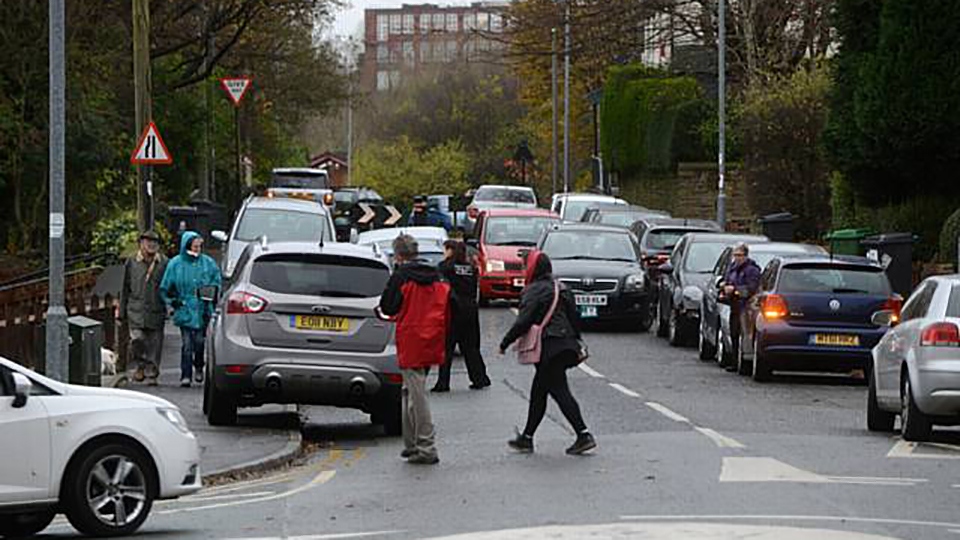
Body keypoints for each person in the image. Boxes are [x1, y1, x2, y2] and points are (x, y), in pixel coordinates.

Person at [499, 251, 596, 456]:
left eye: (527, 266)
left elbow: (523, 321)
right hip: (564, 345)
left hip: (548, 348)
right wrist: (577, 340)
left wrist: (505, 342)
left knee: (560, 391)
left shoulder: (533, 291)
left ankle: (583, 434)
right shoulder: (562, 288)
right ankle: (527, 438)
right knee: (539, 392)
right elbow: (574, 318)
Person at [379, 234, 450, 465]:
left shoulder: (401, 276)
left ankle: (426, 446)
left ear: (398, 255)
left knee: (416, 393)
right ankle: (411, 444)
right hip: (433, 334)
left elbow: (388, 306)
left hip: (411, 335)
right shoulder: (436, 275)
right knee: (409, 390)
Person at [160, 231, 221, 388]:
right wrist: (172, 302)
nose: (197, 250)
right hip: (184, 308)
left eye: (199, 246)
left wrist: (211, 293)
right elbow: (165, 287)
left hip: (203, 309)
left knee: (200, 341)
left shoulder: (208, 263)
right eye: (194, 246)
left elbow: (216, 281)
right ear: (186, 245)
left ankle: (199, 366)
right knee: (187, 344)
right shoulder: (175, 264)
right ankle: (185, 375)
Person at [433, 240, 491, 393]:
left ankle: (443, 382)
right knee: (471, 347)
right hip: (470, 309)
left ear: (450, 250)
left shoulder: (445, 267)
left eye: (445, 249)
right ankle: (480, 378)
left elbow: (441, 287)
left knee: (447, 347)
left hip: (452, 310)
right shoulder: (471, 268)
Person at [119, 230, 168, 386]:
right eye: (148, 242)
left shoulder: (164, 262)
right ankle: (140, 365)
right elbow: (124, 287)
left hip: (156, 308)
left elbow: (170, 285)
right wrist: (121, 312)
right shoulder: (131, 262)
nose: (152, 245)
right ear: (141, 244)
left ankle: (152, 372)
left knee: (155, 343)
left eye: (155, 242)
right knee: (137, 339)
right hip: (136, 310)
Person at [720, 242, 762, 370]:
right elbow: (728, 281)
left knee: (744, 335)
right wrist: (724, 286)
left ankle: (742, 363)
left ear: (746, 255)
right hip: (734, 305)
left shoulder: (752, 270)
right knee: (733, 333)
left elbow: (751, 289)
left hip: (746, 308)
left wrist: (735, 290)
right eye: (735, 255)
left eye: (739, 255)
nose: (737, 258)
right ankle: (734, 361)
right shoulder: (733, 268)